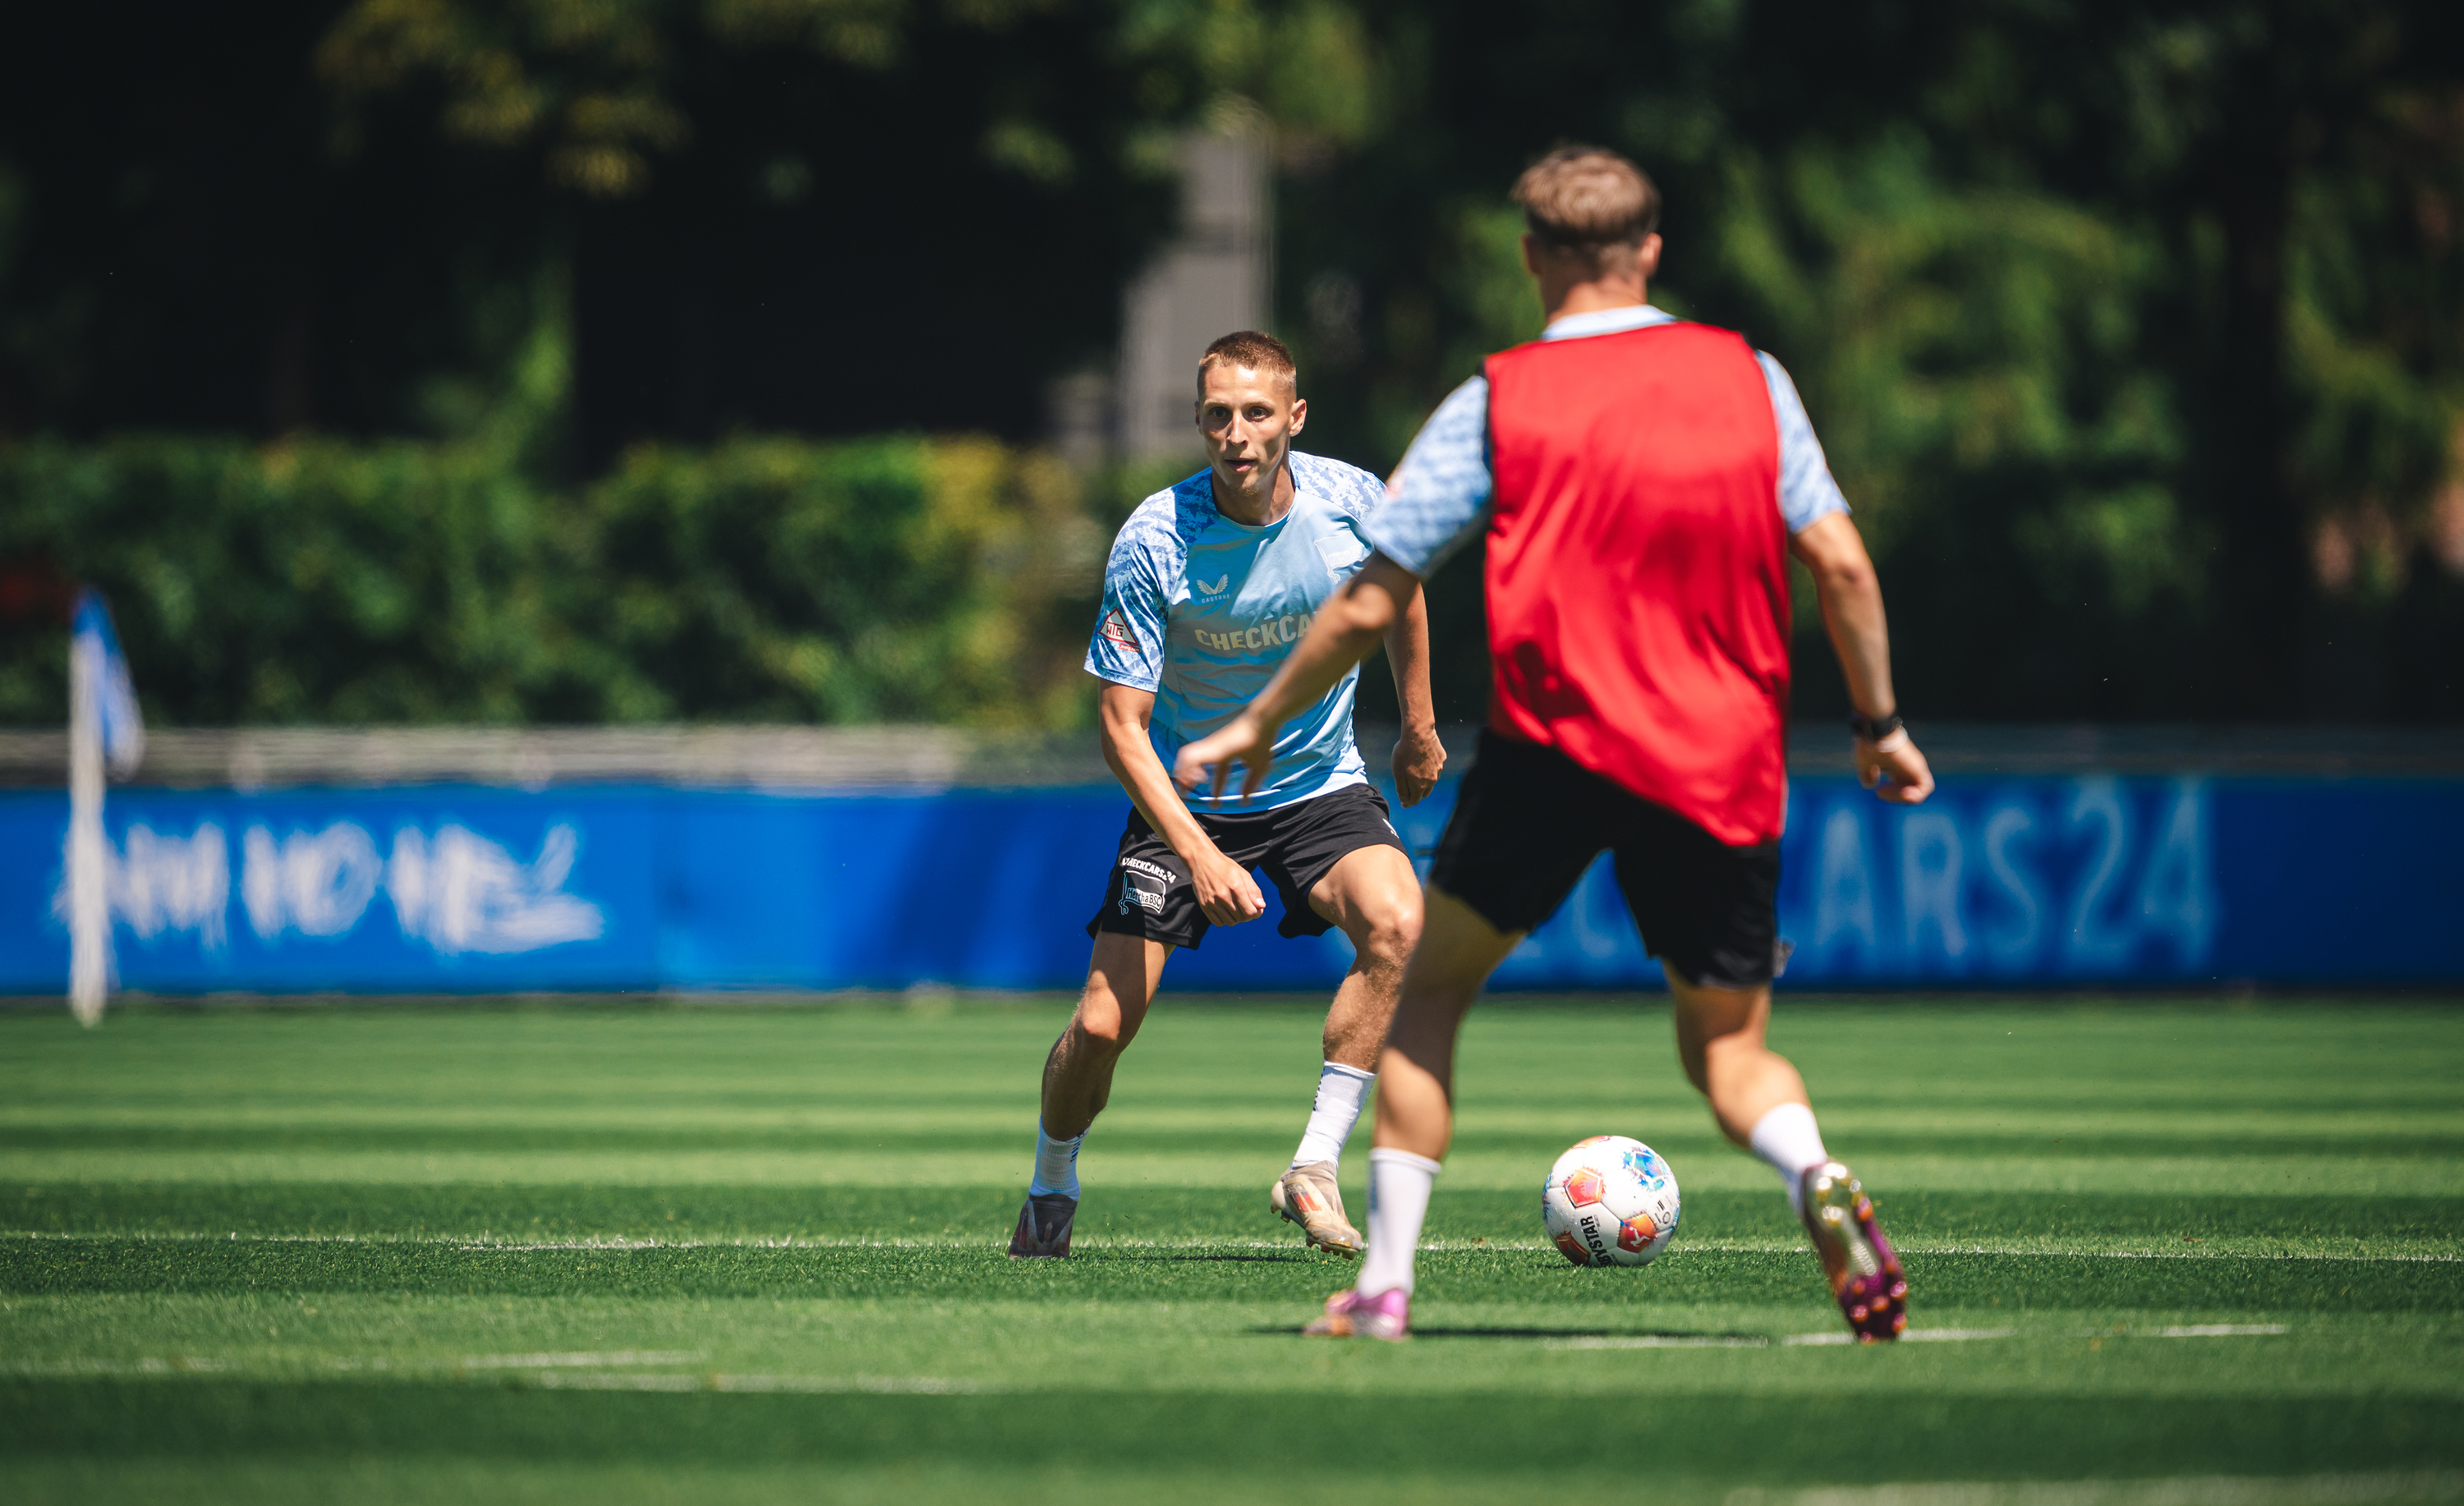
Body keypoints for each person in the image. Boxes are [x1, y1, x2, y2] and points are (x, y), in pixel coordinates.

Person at [1173, 149, 1937, 1342]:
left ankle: (1381, 1289)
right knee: (1732, 1055)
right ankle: (1815, 1177)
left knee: (1423, 997)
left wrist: (1256, 719)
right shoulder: (1752, 377)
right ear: (1653, 253)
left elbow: (1376, 598)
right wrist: (1880, 724)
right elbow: (1839, 561)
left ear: (1530, 256)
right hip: (1721, 752)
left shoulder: (1499, 397)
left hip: (1561, 746)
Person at [1008, 330, 1447, 1260]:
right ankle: (1052, 1181)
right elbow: (1121, 729)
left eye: (1256, 413)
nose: (1236, 433)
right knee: (1099, 1027)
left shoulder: (1354, 502)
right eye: (1218, 414)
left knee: (1400, 925)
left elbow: (1401, 595)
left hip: (1319, 787)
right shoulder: (1153, 540)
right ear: (1200, 422)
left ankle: (1314, 1165)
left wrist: (1417, 727)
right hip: (1189, 805)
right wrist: (1201, 853)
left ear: (1294, 417)